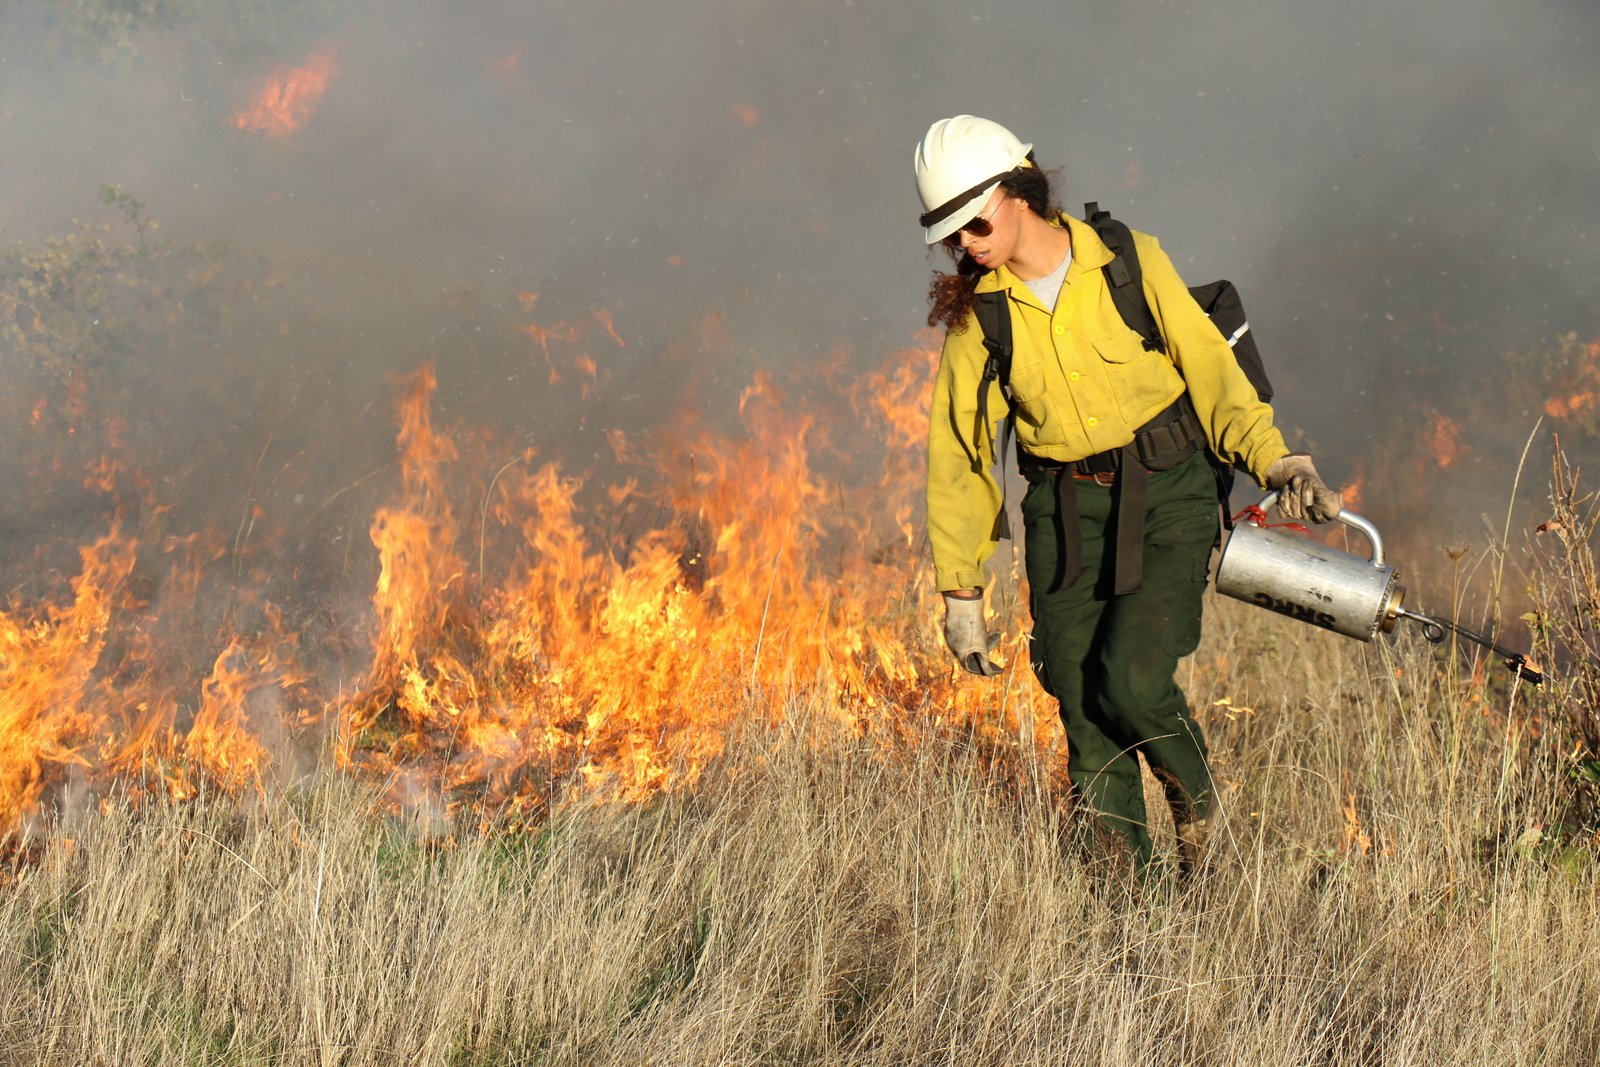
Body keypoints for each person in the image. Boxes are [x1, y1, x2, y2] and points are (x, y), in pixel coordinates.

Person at [914, 115, 1341, 878]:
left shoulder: (1127, 262)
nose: (968, 245)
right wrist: (961, 592)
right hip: (1063, 514)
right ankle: (1126, 909)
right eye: (953, 237)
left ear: (1016, 193)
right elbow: (961, 455)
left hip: (1168, 493)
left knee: (1132, 679)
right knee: (1079, 701)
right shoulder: (981, 318)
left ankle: (1200, 818)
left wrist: (1279, 462)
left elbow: (1214, 373)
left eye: (974, 223)